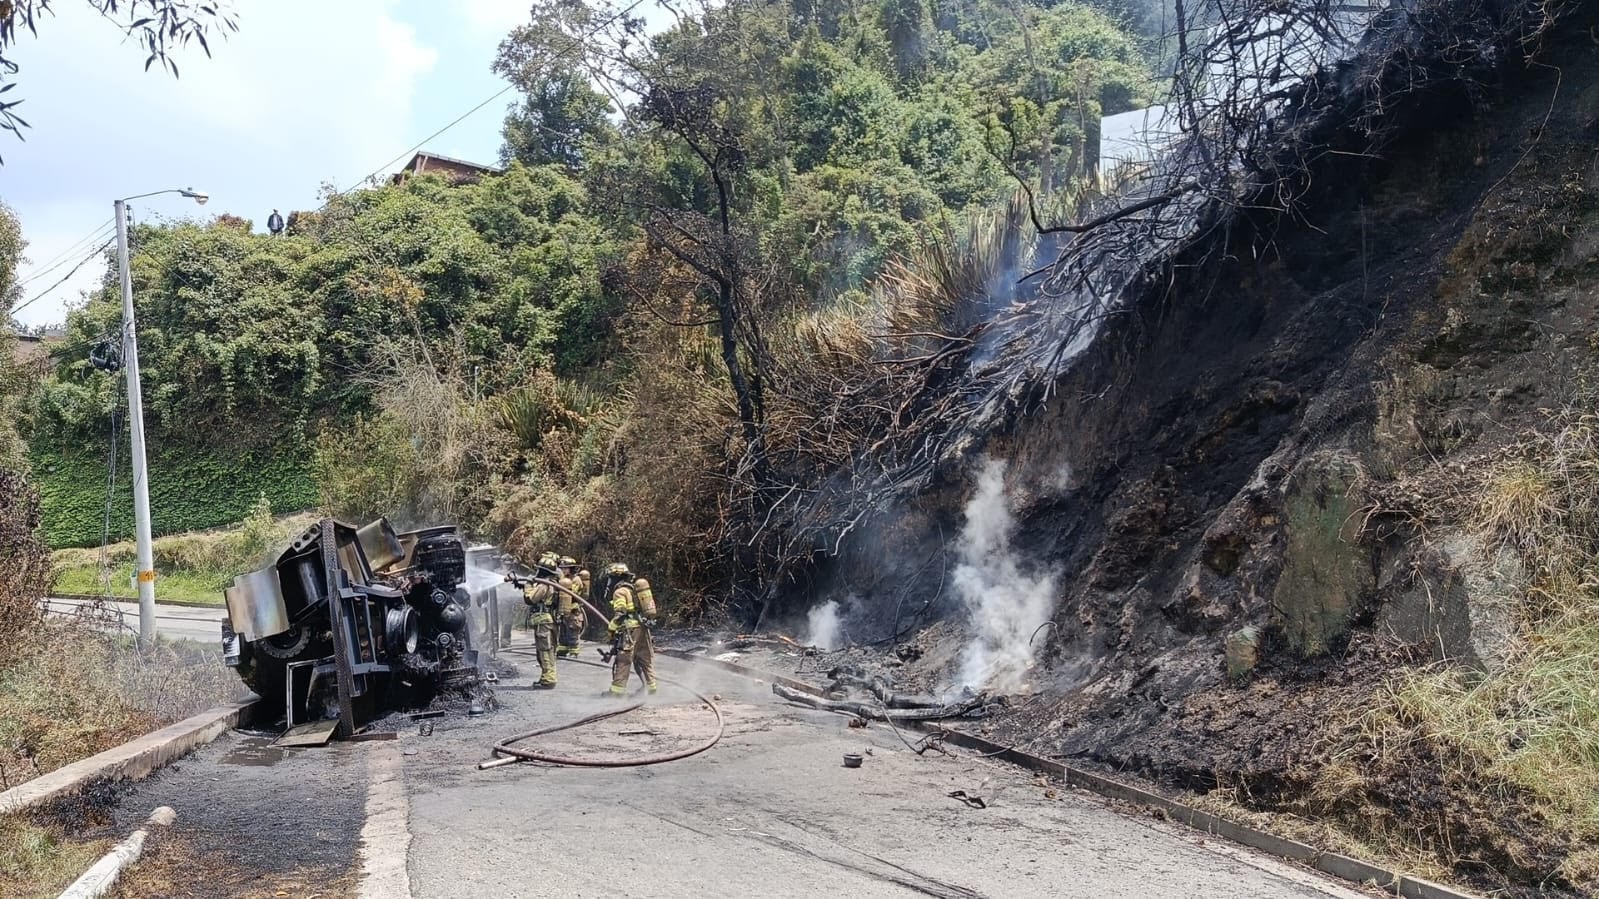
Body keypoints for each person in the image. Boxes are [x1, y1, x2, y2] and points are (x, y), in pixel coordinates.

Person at [602, 562, 658, 697]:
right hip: (643, 628)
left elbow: (620, 613)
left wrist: (611, 629)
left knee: (624, 659)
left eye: (610, 577)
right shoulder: (633, 589)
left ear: (615, 577)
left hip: (629, 630)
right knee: (645, 658)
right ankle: (651, 688)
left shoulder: (619, 592)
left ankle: (617, 692)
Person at [508, 553, 560, 688]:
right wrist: (520, 584)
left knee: (545, 650)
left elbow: (530, 598)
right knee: (544, 651)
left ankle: (549, 680)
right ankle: (545, 677)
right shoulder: (548, 583)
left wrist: (529, 583)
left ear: (543, 571)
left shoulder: (545, 585)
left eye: (539, 570)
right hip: (545, 621)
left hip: (543, 622)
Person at [555, 556, 587, 658]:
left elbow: (572, 592)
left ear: (571, 568)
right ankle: (562, 650)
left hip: (574, 611)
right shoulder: (564, 579)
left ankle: (574, 652)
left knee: (572, 632)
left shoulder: (576, 579)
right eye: (562, 568)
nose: (563, 570)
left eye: (566, 568)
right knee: (563, 632)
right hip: (565, 610)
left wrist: (562, 585)